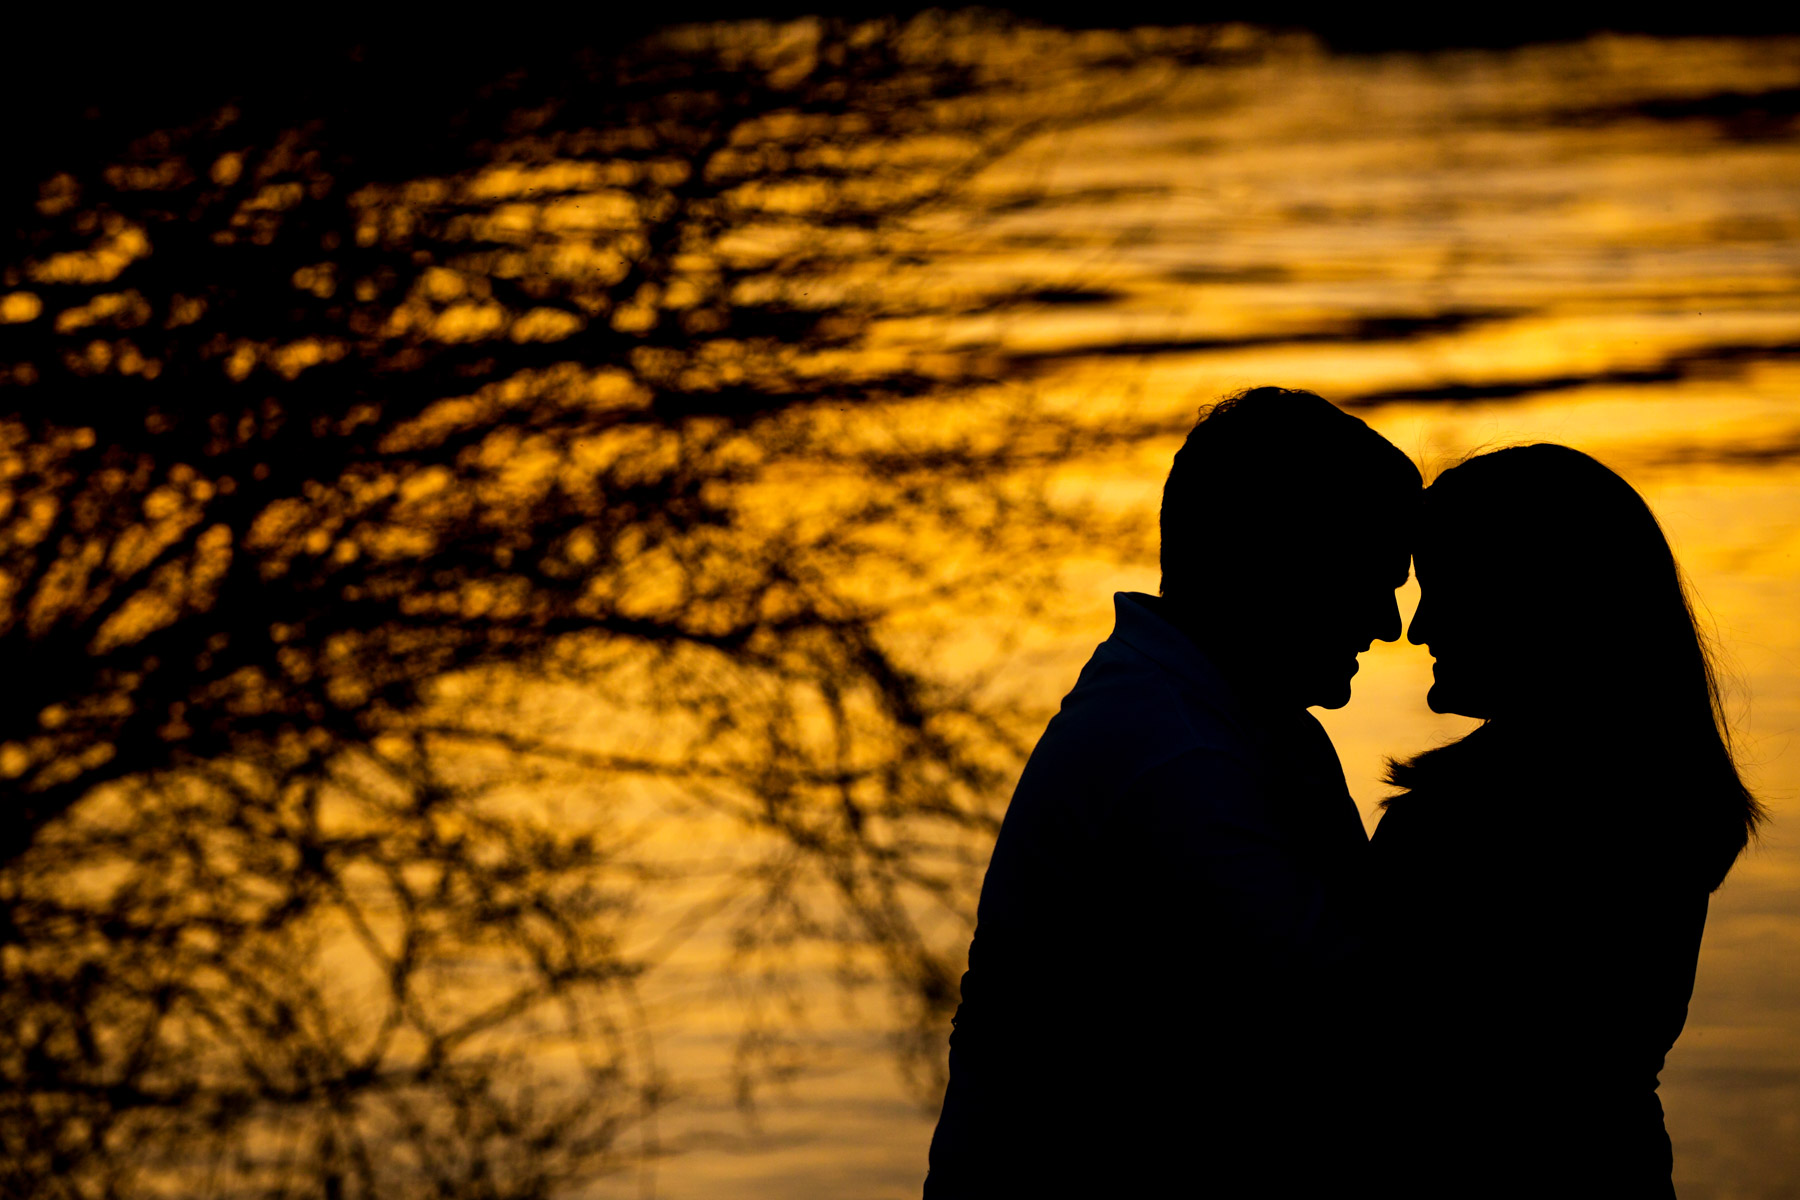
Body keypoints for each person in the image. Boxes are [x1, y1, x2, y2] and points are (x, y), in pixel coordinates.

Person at [922, 387, 1421, 1197]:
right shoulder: (1177, 757)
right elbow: (1359, 1021)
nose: (1389, 623)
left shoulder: (1245, 723)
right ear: (1281, 565)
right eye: (1371, 577)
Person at [1367, 444, 1765, 1198]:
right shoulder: (1659, 802)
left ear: (1529, 604)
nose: (1418, 629)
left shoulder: (1459, 838)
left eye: (1444, 590)